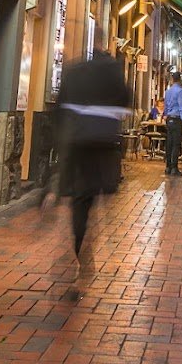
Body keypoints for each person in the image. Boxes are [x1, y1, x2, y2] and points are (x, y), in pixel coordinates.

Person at [53, 44, 132, 298]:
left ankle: (78, 241)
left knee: (80, 199)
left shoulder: (76, 70)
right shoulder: (113, 72)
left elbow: (60, 107)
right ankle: (88, 239)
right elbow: (127, 101)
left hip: (77, 142)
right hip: (104, 145)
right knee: (95, 197)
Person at [163, 72, 182, 177]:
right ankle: (174, 168)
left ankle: (168, 167)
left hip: (169, 119)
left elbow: (165, 106)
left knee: (169, 143)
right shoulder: (180, 91)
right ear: (180, 80)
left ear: (172, 80)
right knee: (176, 144)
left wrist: (165, 115)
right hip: (177, 119)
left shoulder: (168, 91)